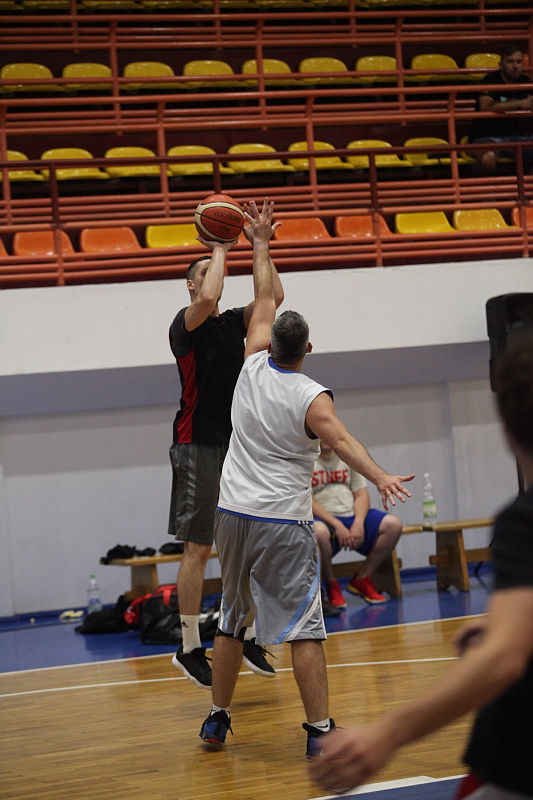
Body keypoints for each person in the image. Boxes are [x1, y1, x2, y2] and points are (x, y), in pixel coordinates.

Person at [198, 199, 415, 760]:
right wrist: (381, 475)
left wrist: (259, 243)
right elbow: (342, 442)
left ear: (268, 341)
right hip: (280, 521)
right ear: (309, 349)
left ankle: (217, 719)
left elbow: (264, 298)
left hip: (232, 514)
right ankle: (320, 730)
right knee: (304, 628)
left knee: (231, 620)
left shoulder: (250, 363)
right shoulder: (311, 396)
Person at [309, 329, 533, 799]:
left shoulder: (524, 521)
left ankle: (362, 580)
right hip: (326, 524)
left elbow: (505, 660)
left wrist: (385, 734)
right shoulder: (306, 462)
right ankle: (335, 585)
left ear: (508, 429)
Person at [168, 205, 284, 689]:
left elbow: (272, 297)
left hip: (238, 444)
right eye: (204, 272)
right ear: (190, 285)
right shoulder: (185, 325)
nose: (212, 278)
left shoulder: (233, 323)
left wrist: (261, 244)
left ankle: (246, 632)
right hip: (197, 443)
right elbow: (210, 292)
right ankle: (188, 646)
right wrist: (219, 244)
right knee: (198, 547)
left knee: (246, 543)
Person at [312, 442, 403, 608]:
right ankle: (331, 584)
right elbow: (307, 501)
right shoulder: (307, 460)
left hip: (352, 516)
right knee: (319, 532)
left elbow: (361, 495)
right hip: (324, 519)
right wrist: (336, 525)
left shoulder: (346, 458)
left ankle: (362, 579)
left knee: (393, 525)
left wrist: (359, 522)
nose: (324, 439)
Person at [470, 43, 533, 174]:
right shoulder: (489, 80)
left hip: (518, 137)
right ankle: (488, 187)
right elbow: (486, 106)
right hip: (487, 137)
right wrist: (520, 103)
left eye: (519, 62)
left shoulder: (525, 81)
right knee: (488, 158)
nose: (515, 66)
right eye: (510, 62)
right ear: (501, 65)